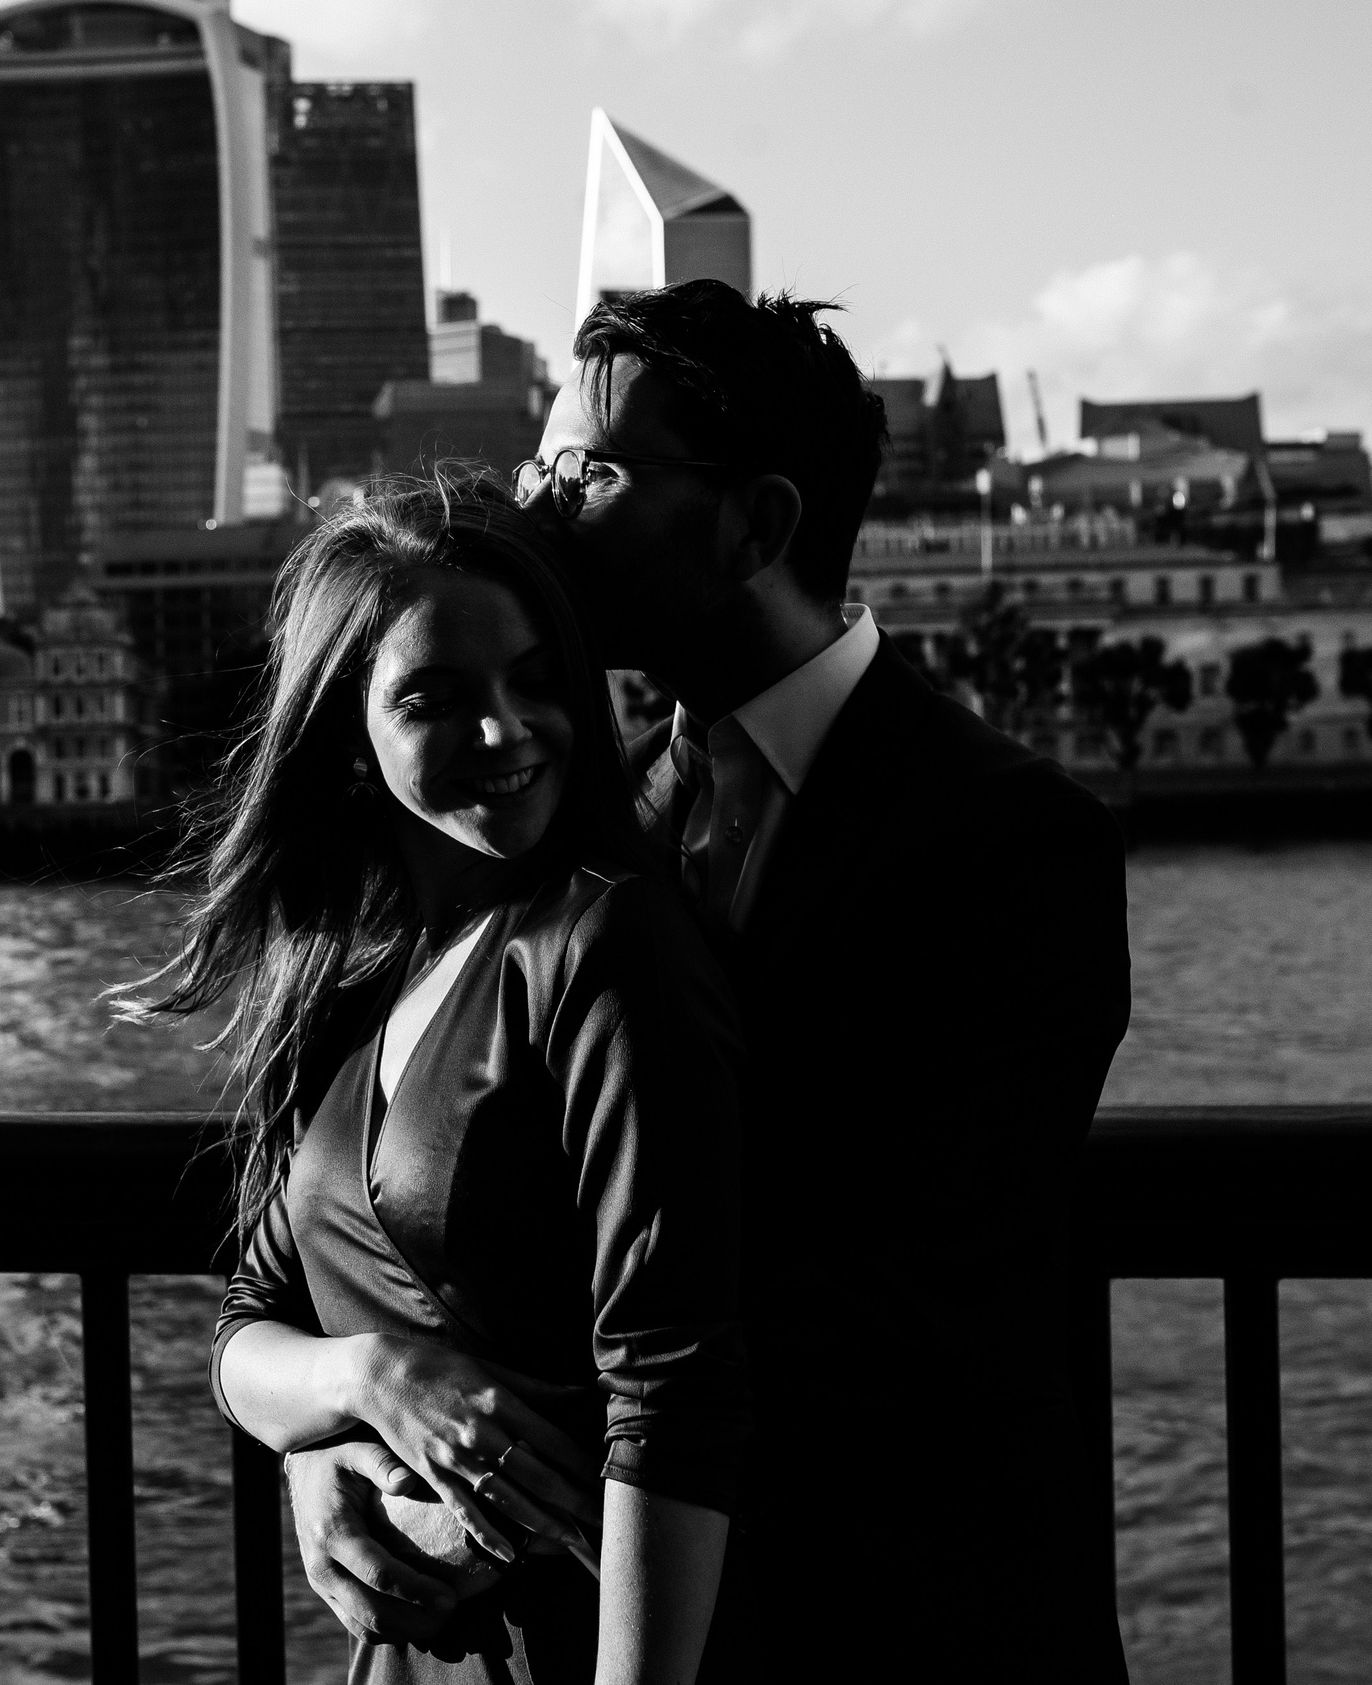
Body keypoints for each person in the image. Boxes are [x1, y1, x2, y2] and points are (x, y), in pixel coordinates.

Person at [282, 283, 1134, 1680]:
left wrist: (472, 1459)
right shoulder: (578, 819)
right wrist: (347, 1431)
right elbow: (395, 1209)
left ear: (758, 523)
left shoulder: (1013, 841)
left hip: (903, 1623)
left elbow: (903, 1298)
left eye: (592, 469)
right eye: (541, 466)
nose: (542, 506)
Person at [122, 468, 752, 1681]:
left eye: (534, 680)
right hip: (417, 1655)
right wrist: (361, 1391)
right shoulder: (351, 978)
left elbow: (674, 1401)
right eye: (435, 698)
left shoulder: (604, 949)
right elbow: (250, 1329)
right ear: (349, 739)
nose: (507, 731)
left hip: (579, 1640)